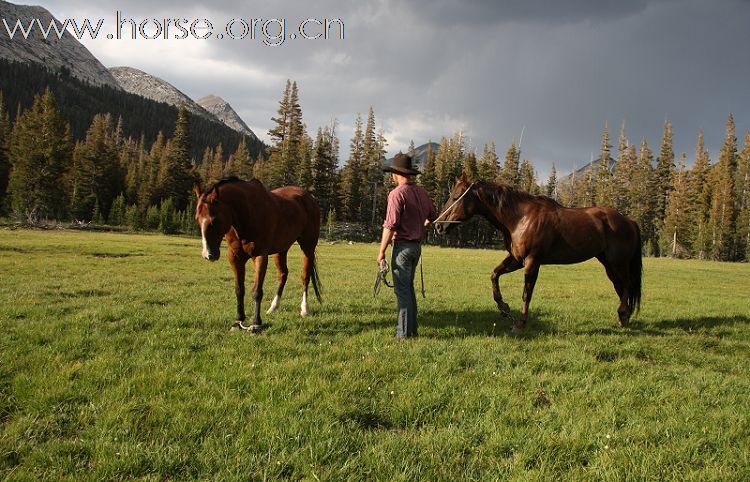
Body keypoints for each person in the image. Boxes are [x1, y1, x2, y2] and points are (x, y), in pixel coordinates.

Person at [377, 152, 437, 339]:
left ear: (396, 174)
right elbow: (433, 217)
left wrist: (381, 252)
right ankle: (412, 330)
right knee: (408, 289)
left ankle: (403, 335)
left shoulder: (397, 194)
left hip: (402, 247)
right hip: (416, 247)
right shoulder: (422, 192)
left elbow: (390, 225)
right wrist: (421, 226)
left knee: (403, 291)